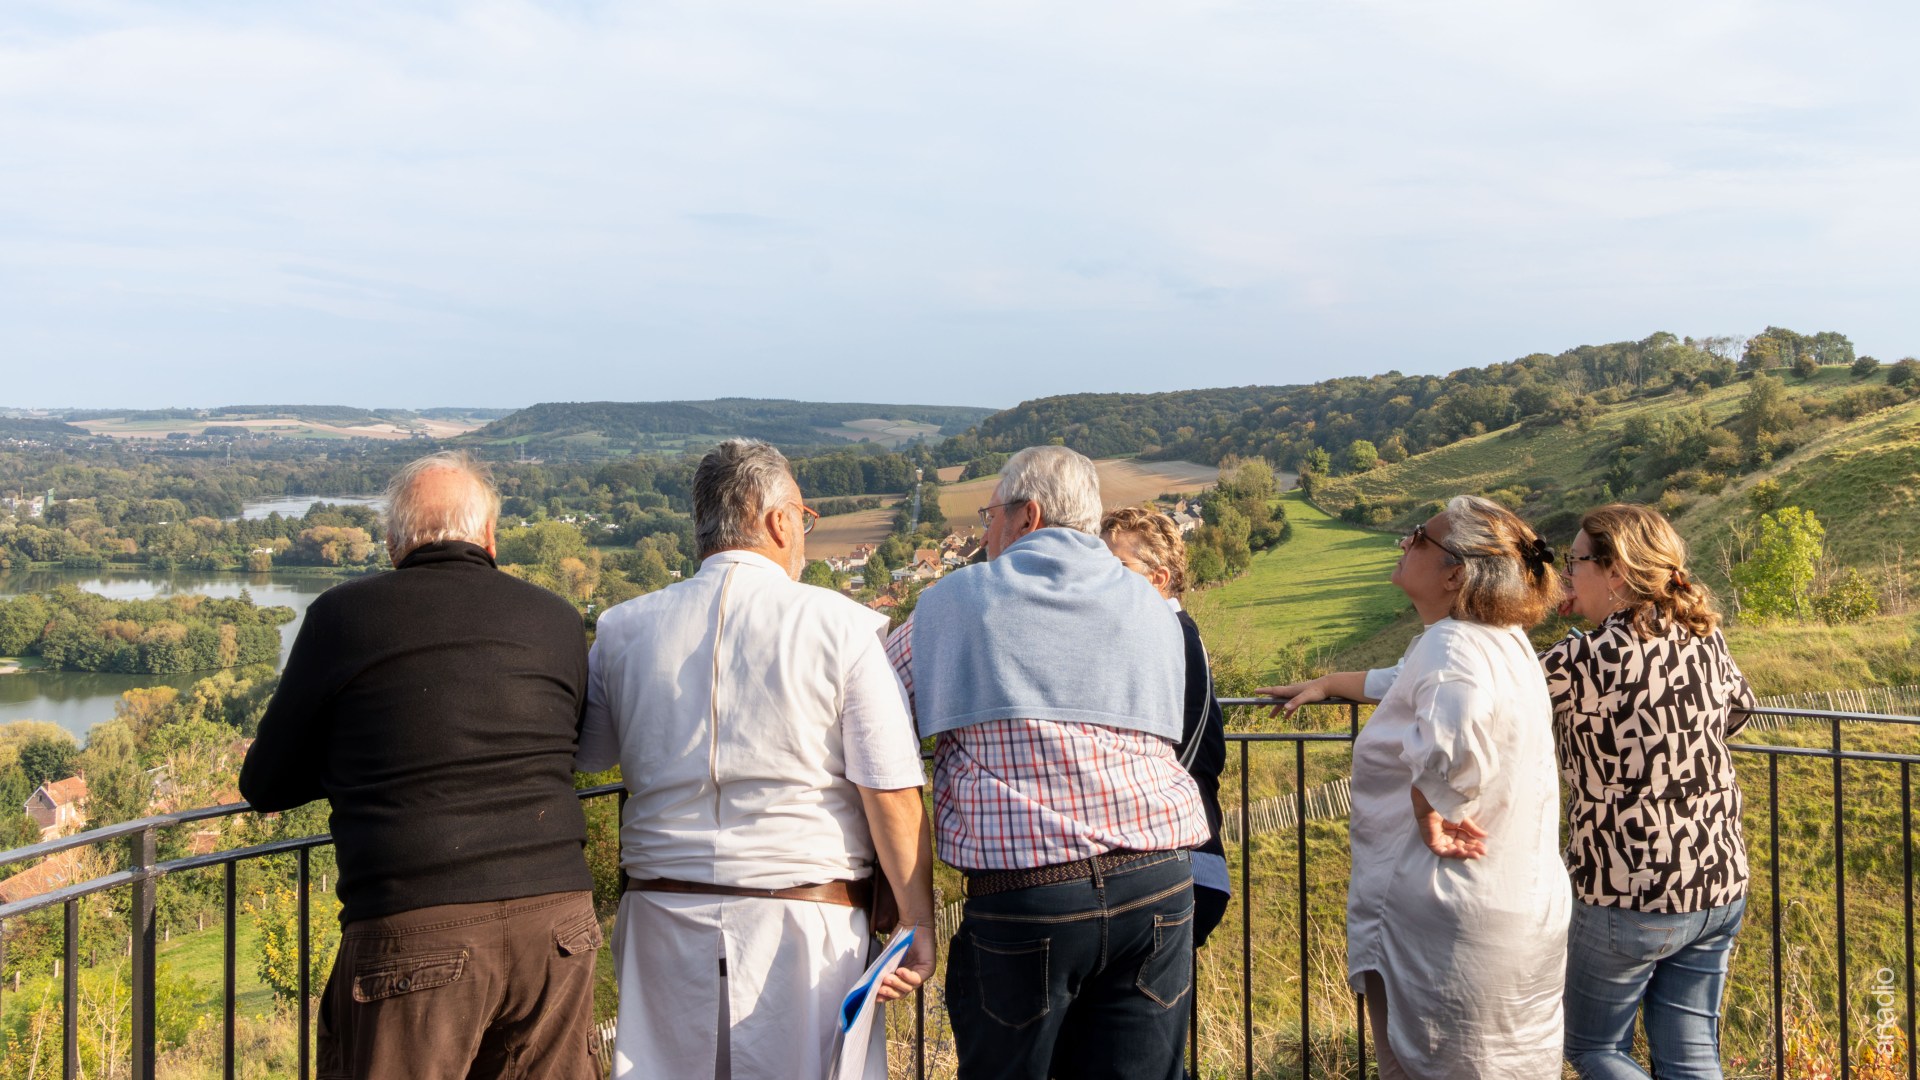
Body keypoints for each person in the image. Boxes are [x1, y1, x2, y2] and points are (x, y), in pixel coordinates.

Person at [576, 438, 936, 1080]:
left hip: (661, 919)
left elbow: (592, 751)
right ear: (779, 521)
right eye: (804, 518)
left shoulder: (622, 628)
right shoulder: (843, 627)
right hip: (804, 924)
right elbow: (891, 793)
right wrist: (917, 923)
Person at [239, 451, 602, 1080]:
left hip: (415, 925)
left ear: (393, 542)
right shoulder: (558, 619)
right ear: (489, 536)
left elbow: (264, 782)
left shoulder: (342, 617)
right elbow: (564, 745)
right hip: (558, 922)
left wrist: (366, 764)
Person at [886, 446, 1209, 1080]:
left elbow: (871, 704)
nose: (986, 534)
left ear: (1027, 515)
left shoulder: (959, 599)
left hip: (1029, 895)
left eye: (991, 516)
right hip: (1159, 880)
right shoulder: (1151, 605)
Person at [1262, 495, 1569, 1080]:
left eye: (1420, 537)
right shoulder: (1502, 640)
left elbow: (1457, 737)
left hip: (1449, 907)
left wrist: (1430, 804)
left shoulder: (1451, 644)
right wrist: (1329, 682)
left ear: (1455, 574)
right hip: (1519, 898)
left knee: (1432, 1064)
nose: (1405, 542)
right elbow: (1406, 680)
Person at [1544, 504, 1755, 1080]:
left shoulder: (1585, 657)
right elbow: (1738, 709)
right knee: (1691, 1054)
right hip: (1716, 876)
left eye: (1574, 563)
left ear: (1614, 571)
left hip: (1627, 888)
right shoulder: (1703, 635)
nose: (1567, 575)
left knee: (1591, 1048)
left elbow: (1484, 689)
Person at [1100, 506, 1230, 946]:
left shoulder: (1172, 635)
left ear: (1158, 578)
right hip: (1182, 855)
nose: (1102, 578)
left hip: (1179, 860)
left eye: (1118, 567)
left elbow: (1184, 748)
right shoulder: (1174, 631)